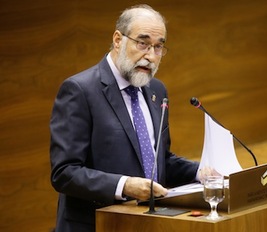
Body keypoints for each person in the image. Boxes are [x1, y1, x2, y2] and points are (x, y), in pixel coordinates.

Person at [50, 4, 216, 232]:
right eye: (142, 43)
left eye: (158, 47)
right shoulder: (80, 90)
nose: (150, 56)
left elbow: (159, 160)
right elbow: (64, 173)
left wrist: (202, 173)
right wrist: (124, 185)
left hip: (146, 222)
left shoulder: (156, 90)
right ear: (118, 40)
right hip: (97, 225)